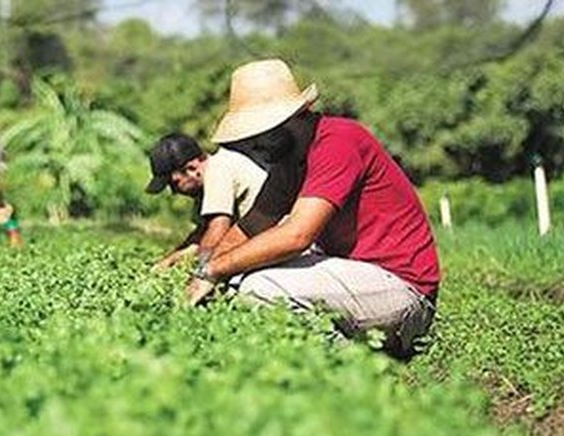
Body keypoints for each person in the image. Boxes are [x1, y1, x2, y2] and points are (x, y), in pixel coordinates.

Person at [186, 58, 441, 356]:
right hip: (357, 278)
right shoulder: (288, 163)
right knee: (237, 280)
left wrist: (214, 270)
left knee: (260, 289)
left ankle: (351, 367)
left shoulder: (338, 140)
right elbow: (249, 226)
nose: (255, 146)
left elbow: (297, 236)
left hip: (403, 290)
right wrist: (203, 270)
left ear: (292, 117)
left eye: (260, 135)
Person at [145, 132, 269, 271]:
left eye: (174, 183)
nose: (174, 192)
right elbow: (201, 235)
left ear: (192, 168)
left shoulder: (218, 169)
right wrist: (169, 261)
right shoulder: (207, 181)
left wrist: (200, 273)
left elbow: (217, 230)